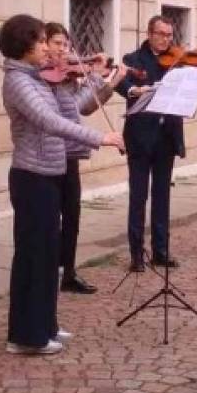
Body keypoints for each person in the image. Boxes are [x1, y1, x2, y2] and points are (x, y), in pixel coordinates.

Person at [0, 14, 124, 355]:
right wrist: (102, 137)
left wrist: (94, 77)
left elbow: (71, 109)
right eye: (40, 42)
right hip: (32, 176)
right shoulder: (18, 81)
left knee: (48, 254)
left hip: (49, 173)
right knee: (33, 256)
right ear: (23, 45)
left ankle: (45, 325)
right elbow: (50, 121)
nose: (46, 47)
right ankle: (26, 336)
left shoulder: (37, 78)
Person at [43, 22, 127, 294]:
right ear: (44, 45)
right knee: (51, 219)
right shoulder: (43, 78)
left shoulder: (66, 77)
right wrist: (94, 77)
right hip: (50, 156)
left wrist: (104, 78)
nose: (63, 50)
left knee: (72, 216)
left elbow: (88, 107)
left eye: (66, 44)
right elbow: (75, 107)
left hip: (71, 155)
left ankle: (68, 271)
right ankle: (50, 271)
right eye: (57, 43)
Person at [114, 16, 197, 271]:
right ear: (149, 34)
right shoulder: (133, 60)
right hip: (140, 138)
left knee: (162, 196)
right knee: (138, 197)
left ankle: (161, 251)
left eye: (169, 35)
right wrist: (134, 91)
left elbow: (191, 83)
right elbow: (123, 84)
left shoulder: (177, 62)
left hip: (166, 138)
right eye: (160, 34)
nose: (165, 39)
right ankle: (137, 255)